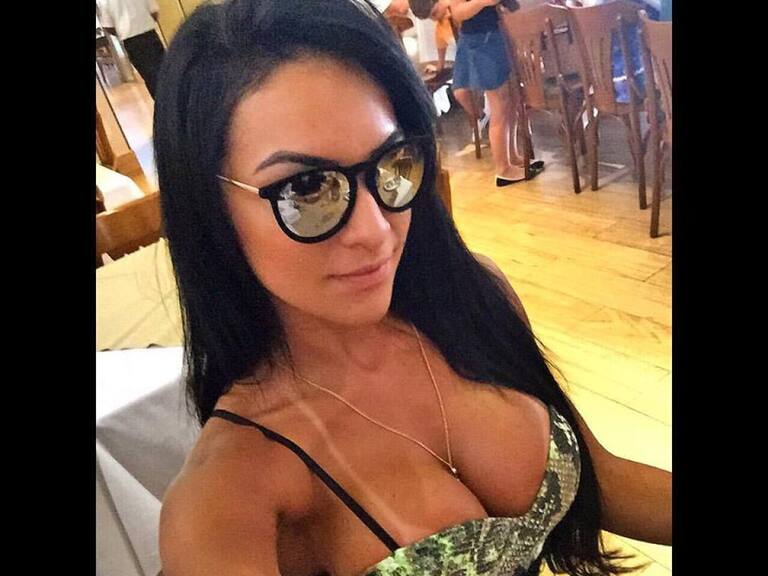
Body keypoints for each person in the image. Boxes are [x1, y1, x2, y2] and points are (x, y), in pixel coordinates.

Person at [154, 1, 671, 574]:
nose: (376, 230)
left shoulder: (469, 295)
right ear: (210, 209)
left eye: (391, 163)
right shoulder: (226, 500)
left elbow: (604, 481)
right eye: (306, 190)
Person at [450, 0, 544, 186]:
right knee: (499, 105)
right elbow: (457, 13)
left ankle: (513, 157)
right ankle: (503, 169)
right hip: (481, 41)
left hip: (496, 36)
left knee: (511, 101)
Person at [96, 0, 165, 99]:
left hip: (131, 41)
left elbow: (108, 26)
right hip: (149, 34)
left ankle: (162, 104)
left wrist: (122, 30)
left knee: (148, 76)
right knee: (164, 70)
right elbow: (154, 11)